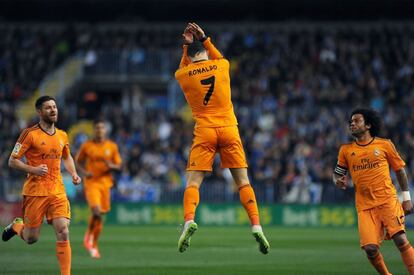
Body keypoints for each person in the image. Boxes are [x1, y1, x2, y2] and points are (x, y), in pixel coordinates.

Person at [174, 22, 270, 254]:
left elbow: (185, 64)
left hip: (205, 130)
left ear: (191, 55)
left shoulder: (183, 74)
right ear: (206, 52)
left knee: (193, 183)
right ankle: (256, 225)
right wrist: (204, 37)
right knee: (243, 182)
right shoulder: (222, 65)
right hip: (228, 128)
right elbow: (217, 55)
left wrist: (186, 47)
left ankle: (188, 221)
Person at [2, 95, 81, 275]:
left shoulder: (62, 135)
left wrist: (74, 173)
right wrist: (34, 169)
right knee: (31, 238)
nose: (53, 110)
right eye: (48, 108)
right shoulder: (29, 134)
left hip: (57, 190)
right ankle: (17, 226)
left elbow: (66, 156)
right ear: (39, 112)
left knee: (63, 231)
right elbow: (12, 161)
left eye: (54, 107)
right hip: (35, 191)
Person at [334, 108, 414, 274]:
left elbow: (399, 170)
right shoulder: (346, 150)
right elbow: (337, 174)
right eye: (351, 121)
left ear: (368, 125)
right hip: (364, 206)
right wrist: (337, 181)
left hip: (387, 200)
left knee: (400, 239)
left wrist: (406, 198)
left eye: (356, 121)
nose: (352, 123)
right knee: (370, 249)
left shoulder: (385, 145)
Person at [75, 119, 122, 258]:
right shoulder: (87, 146)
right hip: (91, 183)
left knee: (99, 214)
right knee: (96, 211)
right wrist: (84, 173)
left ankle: (93, 244)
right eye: (97, 128)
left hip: (106, 184)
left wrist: (111, 166)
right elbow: (77, 162)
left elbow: (119, 166)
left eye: (102, 128)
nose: (99, 130)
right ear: (94, 130)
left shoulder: (112, 146)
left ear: (105, 131)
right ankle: (89, 239)